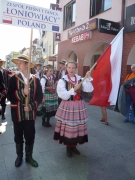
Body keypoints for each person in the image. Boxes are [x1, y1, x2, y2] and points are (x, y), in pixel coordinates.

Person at [7, 54, 43, 168]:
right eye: (17, 63)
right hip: (17, 114)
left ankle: (29, 156)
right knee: (18, 135)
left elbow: (39, 96)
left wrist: (31, 106)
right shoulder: (13, 78)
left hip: (30, 114)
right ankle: (19, 156)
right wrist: (23, 92)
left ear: (27, 65)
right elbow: (9, 96)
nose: (18, 65)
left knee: (30, 135)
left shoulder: (35, 80)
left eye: (20, 63)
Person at [53, 60, 94, 157]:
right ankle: (68, 147)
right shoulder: (63, 80)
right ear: (66, 68)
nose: (71, 69)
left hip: (79, 106)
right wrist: (74, 89)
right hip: (68, 105)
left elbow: (89, 89)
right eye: (69, 67)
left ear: (76, 68)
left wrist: (87, 78)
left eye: (73, 68)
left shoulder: (80, 79)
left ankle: (74, 146)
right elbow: (62, 95)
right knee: (69, 127)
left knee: (77, 127)